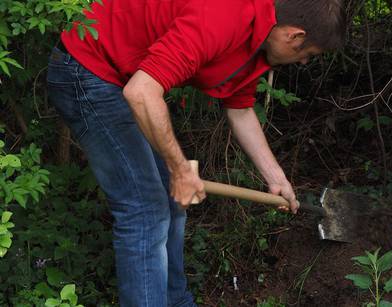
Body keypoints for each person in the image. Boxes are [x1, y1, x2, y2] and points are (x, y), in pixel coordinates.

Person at [47, 0, 345, 305]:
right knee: (147, 210)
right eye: (308, 55)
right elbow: (141, 92)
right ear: (294, 36)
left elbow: (239, 109)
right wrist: (179, 170)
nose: (304, 63)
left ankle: (176, 301)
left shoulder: (257, 39)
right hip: (87, 70)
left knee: (172, 203)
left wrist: (276, 177)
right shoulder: (224, 14)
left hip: (125, 80)